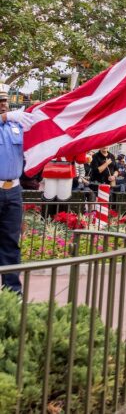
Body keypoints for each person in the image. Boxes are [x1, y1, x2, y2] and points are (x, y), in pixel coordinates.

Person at [1, 85, 40, 294]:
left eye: (5, 101)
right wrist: (6, 118)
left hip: (13, 190)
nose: (4, 105)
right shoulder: (6, 121)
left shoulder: (15, 126)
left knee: (10, 241)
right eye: (0, 102)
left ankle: (12, 292)